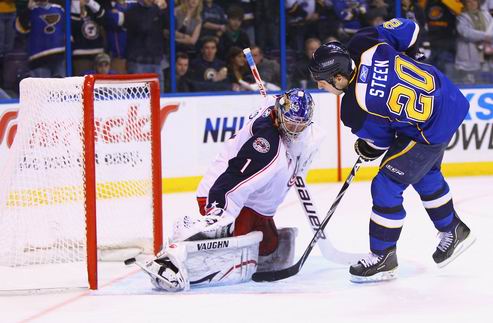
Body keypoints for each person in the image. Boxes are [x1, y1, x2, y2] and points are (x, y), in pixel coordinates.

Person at [309, 18, 476, 283]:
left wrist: (367, 146)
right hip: (449, 97)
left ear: (338, 77)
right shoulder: (364, 42)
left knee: (386, 184)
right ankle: (452, 228)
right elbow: (411, 28)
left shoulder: (354, 108)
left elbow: (383, 142)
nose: (320, 86)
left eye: (322, 82)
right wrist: (413, 57)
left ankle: (383, 256)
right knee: (423, 172)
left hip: (429, 129)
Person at [137, 88, 323, 291]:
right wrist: (219, 210)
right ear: (279, 114)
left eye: (300, 125)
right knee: (228, 243)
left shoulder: (276, 110)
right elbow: (234, 179)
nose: (294, 130)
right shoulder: (268, 147)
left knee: (269, 246)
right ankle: (174, 254)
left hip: (253, 202)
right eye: (290, 123)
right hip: (223, 195)